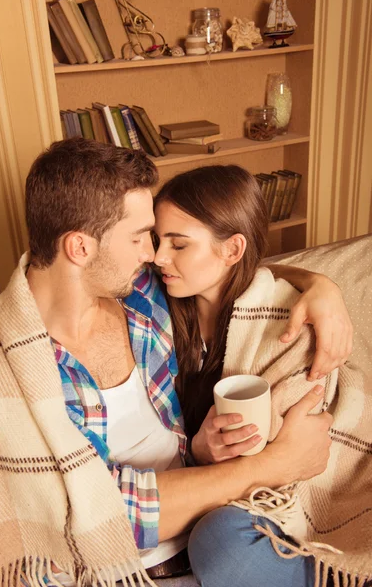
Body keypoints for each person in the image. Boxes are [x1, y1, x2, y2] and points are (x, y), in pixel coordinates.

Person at [0, 139, 352, 587]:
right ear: (79, 247)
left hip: (218, 523)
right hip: (123, 568)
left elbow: (232, 267)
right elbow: (104, 512)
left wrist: (322, 286)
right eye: (138, 238)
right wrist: (275, 465)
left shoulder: (142, 295)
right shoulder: (2, 369)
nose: (152, 253)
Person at [152, 164, 371, 586]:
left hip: (301, 488)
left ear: (232, 249)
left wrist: (321, 286)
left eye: (179, 244)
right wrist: (200, 451)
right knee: (217, 541)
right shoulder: (155, 309)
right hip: (210, 487)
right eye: (157, 240)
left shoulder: (286, 321)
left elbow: (313, 437)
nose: (159, 257)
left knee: (220, 542)